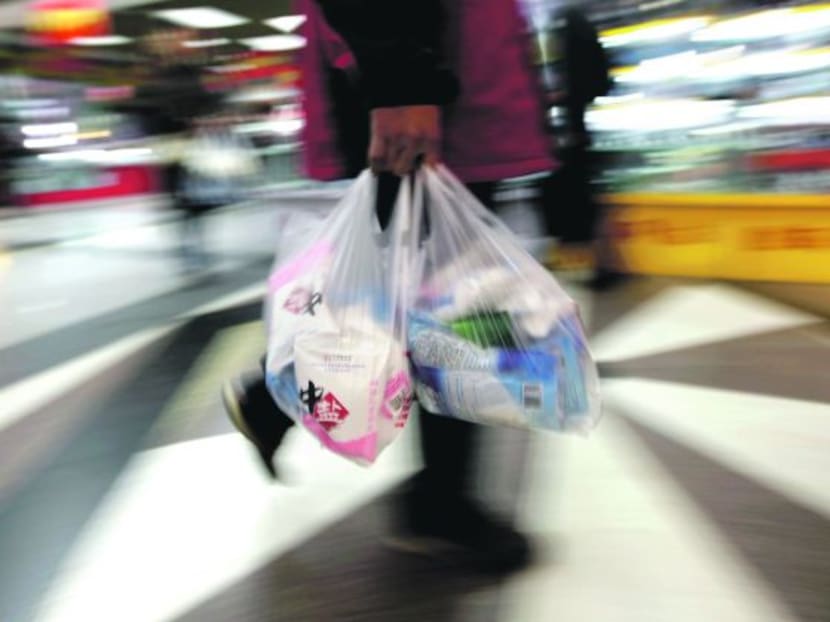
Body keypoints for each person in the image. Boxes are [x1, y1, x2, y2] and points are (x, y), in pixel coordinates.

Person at [223, 0, 554, 573]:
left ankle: (280, 398)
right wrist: (400, 84)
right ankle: (440, 502)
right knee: (449, 305)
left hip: (435, 75)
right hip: (420, 79)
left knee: (416, 299)